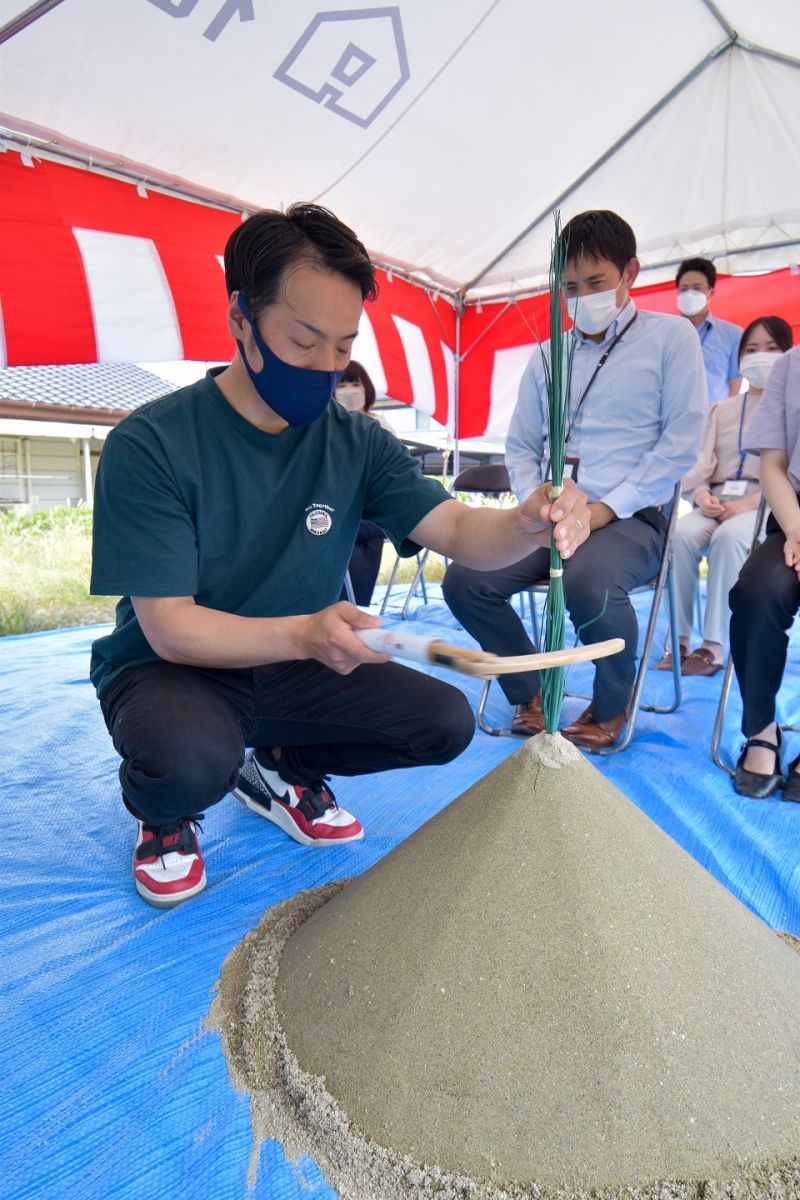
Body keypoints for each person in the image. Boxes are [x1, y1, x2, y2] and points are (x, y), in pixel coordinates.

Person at [90, 202, 589, 909]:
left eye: (344, 345)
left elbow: (456, 529)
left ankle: (283, 764)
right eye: (304, 340)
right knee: (187, 760)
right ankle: (165, 815)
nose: (327, 367)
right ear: (241, 318)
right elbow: (170, 625)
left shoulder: (354, 441)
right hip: (177, 667)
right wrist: (302, 631)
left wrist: (531, 519)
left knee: (442, 723)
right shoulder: (153, 443)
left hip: (298, 663)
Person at [442, 210, 706, 749]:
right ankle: (530, 690)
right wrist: (530, 507)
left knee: (588, 581)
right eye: (568, 287)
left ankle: (609, 708)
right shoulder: (547, 355)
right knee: (466, 581)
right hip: (551, 514)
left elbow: (679, 446)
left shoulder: (671, 338)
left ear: (630, 272)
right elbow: (520, 446)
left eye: (595, 283)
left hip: (632, 519)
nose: (581, 296)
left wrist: (604, 510)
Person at [659, 316, 793, 676]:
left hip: (765, 504)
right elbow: (699, 466)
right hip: (716, 500)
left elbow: (788, 476)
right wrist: (701, 495)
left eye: (771, 348)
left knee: (731, 538)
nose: (760, 356)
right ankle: (680, 638)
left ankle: (714, 644)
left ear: (788, 354)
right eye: (751, 349)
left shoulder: (792, 410)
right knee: (681, 536)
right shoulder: (721, 410)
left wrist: (749, 504)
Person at [729, 344, 800, 801]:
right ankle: (761, 729)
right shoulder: (791, 365)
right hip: (795, 518)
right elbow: (772, 464)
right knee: (758, 590)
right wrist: (794, 530)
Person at [334, 360, 392, 605]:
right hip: (334, 505)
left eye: (355, 384)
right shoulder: (322, 425)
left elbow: (389, 476)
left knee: (345, 529)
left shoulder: (380, 426)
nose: (349, 390)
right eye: (342, 384)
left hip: (371, 508)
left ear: (366, 388)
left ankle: (348, 603)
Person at [675, 257, 743, 403]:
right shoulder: (665, 333)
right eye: (684, 289)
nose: (689, 294)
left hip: (714, 419)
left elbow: (735, 386)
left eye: (697, 288)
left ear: (710, 293)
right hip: (673, 420)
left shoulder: (733, 335)